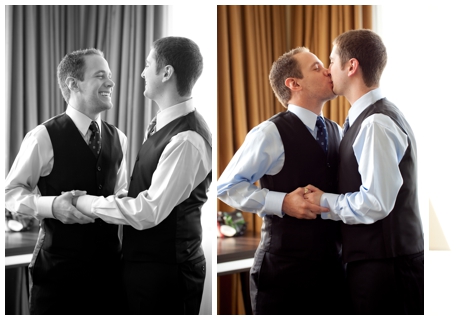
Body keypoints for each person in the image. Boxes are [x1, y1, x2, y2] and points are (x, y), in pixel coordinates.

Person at [69, 36, 212, 314]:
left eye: (148, 65)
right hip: (145, 269)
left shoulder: (186, 139)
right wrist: (122, 197)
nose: (143, 72)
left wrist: (84, 202)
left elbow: (149, 210)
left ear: (166, 73)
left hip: (167, 275)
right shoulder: (163, 123)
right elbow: (155, 191)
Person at [216, 47, 348, 314]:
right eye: (316, 67)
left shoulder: (338, 130)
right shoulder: (270, 133)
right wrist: (283, 202)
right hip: (283, 275)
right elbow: (227, 186)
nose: (327, 71)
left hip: (333, 272)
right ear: (294, 83)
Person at [302, 29, 424, 315]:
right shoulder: (372, 118)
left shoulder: (375, 125)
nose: (328, 70)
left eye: (332, 61)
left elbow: (375, 202)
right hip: (377, 264)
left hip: (386, 269)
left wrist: (324, 202)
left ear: (352, 66)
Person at [4, 48, 129, 315]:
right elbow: (10, 192)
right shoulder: (42, 136)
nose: (111, 82)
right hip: (57, 278)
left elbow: (121, 194)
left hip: (109, 276)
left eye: (110, 76)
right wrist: (53, 207)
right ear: (73, 84)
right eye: (100, 76)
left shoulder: (120, 138)